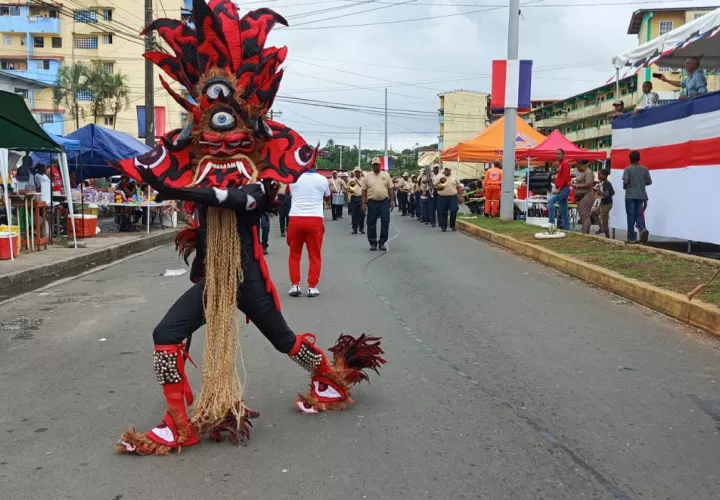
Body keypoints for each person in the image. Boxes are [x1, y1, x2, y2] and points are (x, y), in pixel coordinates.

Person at [111, 0, 385, 456]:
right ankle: (180, 421)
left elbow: (236, 200)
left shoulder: (255, 183)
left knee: (284, 341)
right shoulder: (198, 171)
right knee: (166, 334)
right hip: (213, 281)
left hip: (246, 279)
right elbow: (193, 186)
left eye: (231, 124)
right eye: (210, 126)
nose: (219, 139)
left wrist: (180, 192)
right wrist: (170, 185)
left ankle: (331, 377)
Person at [287, 166, 330, 297]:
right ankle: (312, 287)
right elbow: (327, 197)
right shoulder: (322, 179)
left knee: (294, 254)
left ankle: (295, 285)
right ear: (315, 165)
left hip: (296, 218)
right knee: (315, 255)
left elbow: (288, 193)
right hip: (315, 219)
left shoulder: (293, 178)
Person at [362, 157, 394, 251]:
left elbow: (390, 189)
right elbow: (363, 190)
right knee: (371, 223)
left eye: (377, 164)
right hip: (372, 202)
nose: (376, 166)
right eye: (374, 164)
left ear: (380, 165)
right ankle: (373, 242)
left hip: (384, 202)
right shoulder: (367, 176)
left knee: (385, 222)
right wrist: (363, 204)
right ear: (372, 165)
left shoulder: (386, 175)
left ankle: (382, 242)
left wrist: (392, 201)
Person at [622, 150, 652, 244]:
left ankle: (632, 238)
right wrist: (642, 184)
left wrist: (625, 186)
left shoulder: (628, 169)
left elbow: (626, 182)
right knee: (638, 214)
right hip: (641, 195)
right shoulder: (645, 169)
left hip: (630, 195)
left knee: (631, 216)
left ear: (630, 159)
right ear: (639, 159)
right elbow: (650, 182)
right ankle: (643, 229)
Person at [546, 149, 571, 231]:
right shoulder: (561, 164)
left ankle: (551, 222)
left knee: (550, 201)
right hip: (562, 188)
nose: (557, 155)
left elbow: (565, 177)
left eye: (559, 154)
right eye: (556, 154)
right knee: (563, 209)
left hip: (563, 189)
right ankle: (566, 227)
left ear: (563, 155)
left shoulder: (565, 163)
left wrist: (559, 189)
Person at [436, 166, 462, 232]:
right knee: (443, 212)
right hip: (442, 197)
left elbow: (458, 187)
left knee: (454, 209)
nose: (446, 171)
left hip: (453, 197)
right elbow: (435, 186)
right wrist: (439, 187)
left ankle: (452, 225)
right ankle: (443, 226)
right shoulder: (440, 177)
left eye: (448, 170)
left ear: (450, 170)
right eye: (445, 170)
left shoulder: (454, 177)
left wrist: (461, 196)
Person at [572, 160, 596, 234]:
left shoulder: (589, 172)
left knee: (585, 216)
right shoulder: (582, 172)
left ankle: (585, 233)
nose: (577, 169)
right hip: (581, 195)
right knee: (582, 215)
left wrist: (577, 186)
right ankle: (584, 232)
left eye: (578, 167)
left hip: (587, 195)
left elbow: (589, 184)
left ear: (583, 165)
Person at [595, 169, 614, 238]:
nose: (598, 176)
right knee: (593, 212)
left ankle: (608, 238)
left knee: (605, 222)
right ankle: (601, 228)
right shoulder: (605, 183)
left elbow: (607, 194)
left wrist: (599, 191)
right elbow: (612, 192)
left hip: (606, 204)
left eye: (599, 174)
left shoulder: (606, 183)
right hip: (603, 203)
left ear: (604, 175)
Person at [347, 167, 365, 234]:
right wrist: (349, 197)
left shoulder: (364, 180)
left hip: (361, 198)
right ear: (354, 173)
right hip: (354, 198)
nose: (357, 173)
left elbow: (366, 189)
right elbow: (349, 189)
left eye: (358, 172)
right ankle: (354, 229)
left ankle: (361, 228)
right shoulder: (352, 180)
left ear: (361, 172)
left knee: (362, 214)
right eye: (356, 172)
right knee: (354, 214)